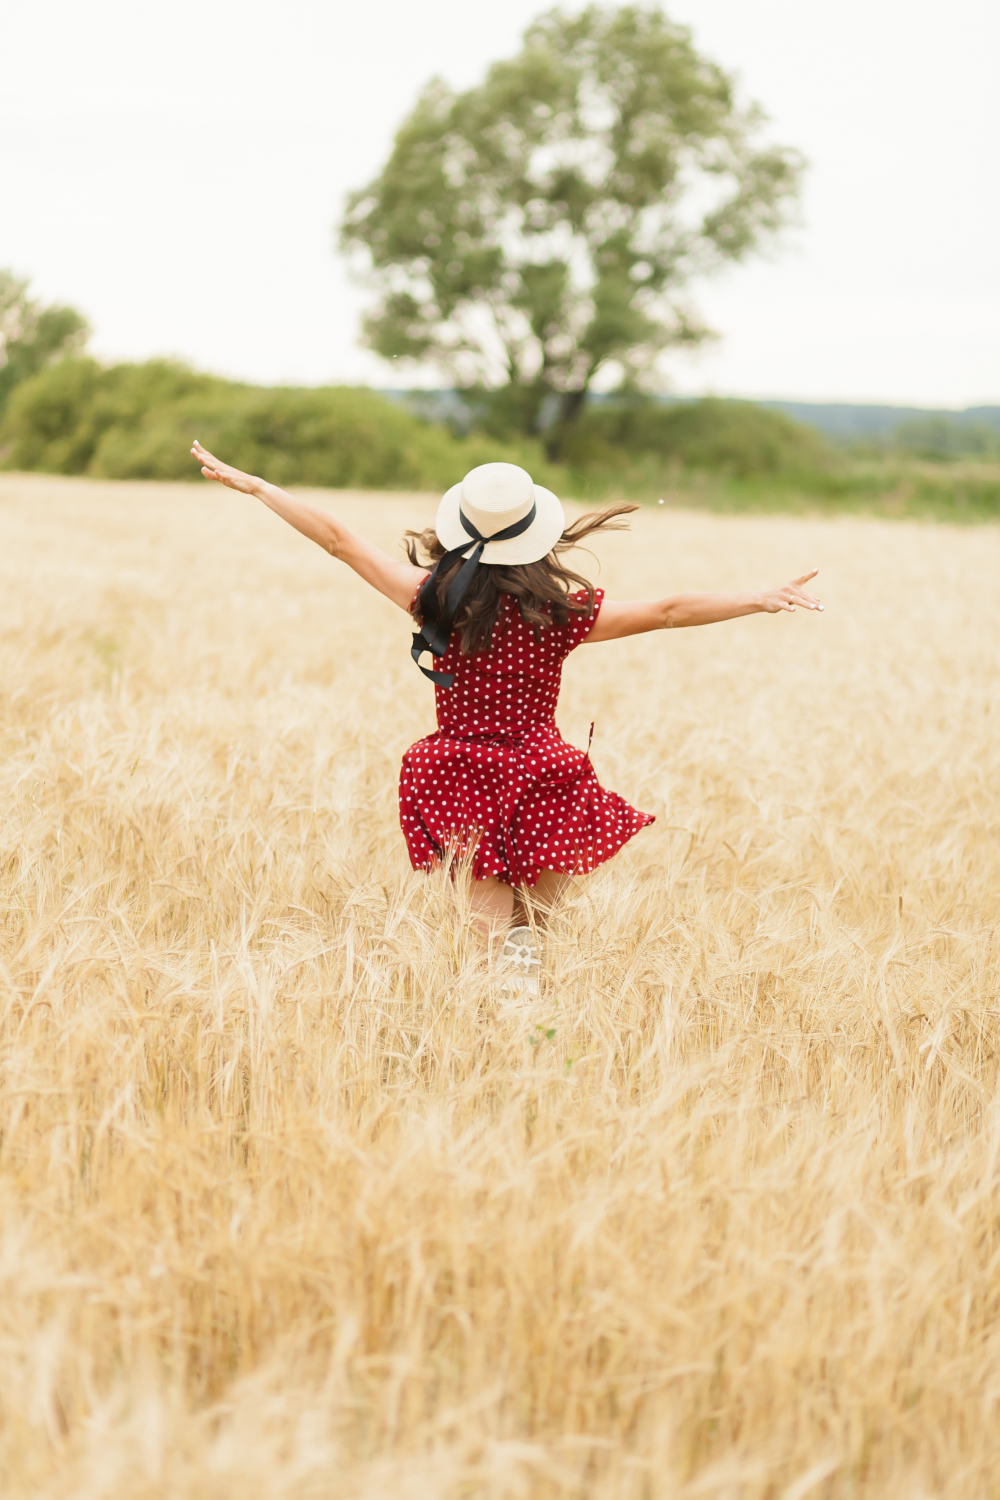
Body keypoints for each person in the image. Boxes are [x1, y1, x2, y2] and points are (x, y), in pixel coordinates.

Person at [191, 443, 822, 989]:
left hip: (458, 775)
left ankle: (496, 1052)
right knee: (533, 948)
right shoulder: (563, 612)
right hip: (545, 775)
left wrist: (257, 486)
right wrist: (757, 598)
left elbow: (338, 541)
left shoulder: (431, 599)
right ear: (536, 533)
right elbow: (668, 610)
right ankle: (537, 1052)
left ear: (460, 528)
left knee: (487, 955)